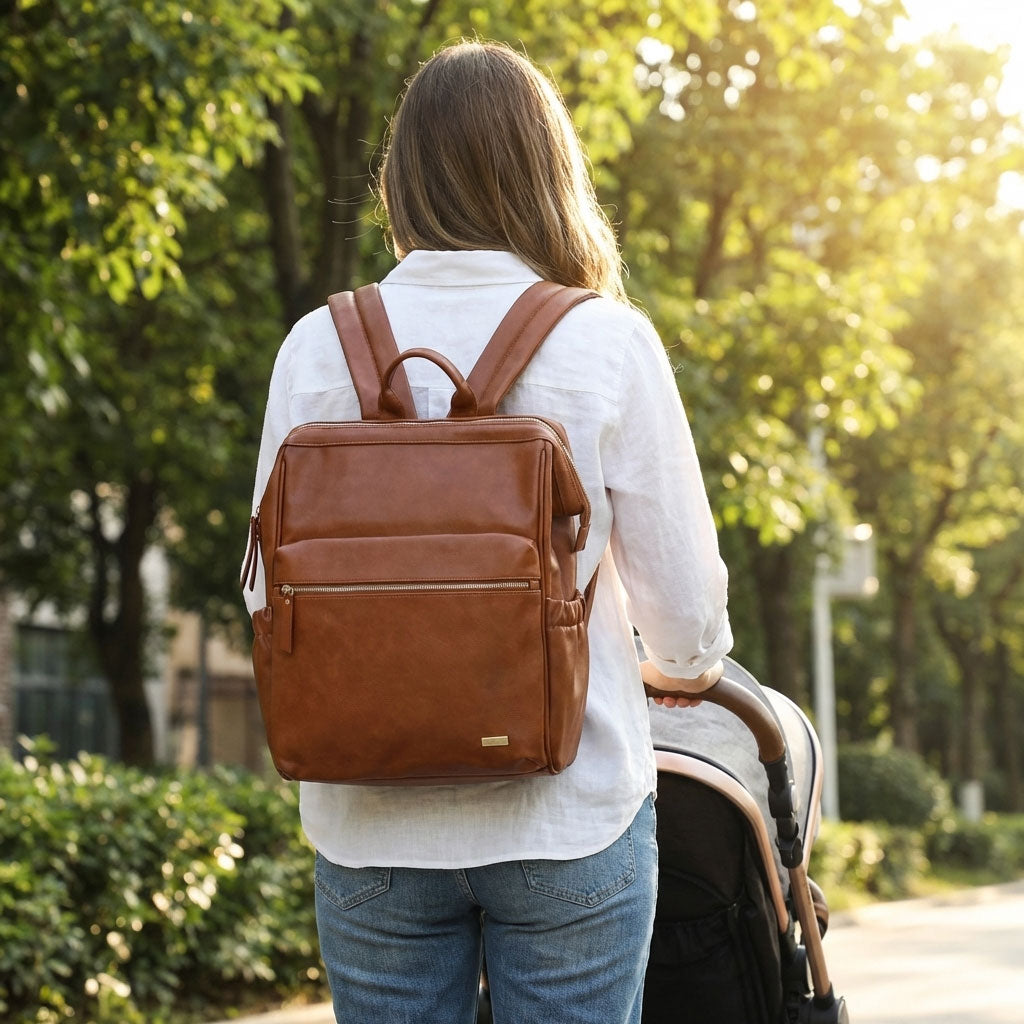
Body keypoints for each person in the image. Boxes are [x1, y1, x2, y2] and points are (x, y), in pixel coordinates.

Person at [243, 40, 732, 1024]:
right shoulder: (605, 340)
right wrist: (677, 668)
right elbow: (683, 616)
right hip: (566, 816)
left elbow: (265, 593)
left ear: (403, 180)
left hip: (369, 827)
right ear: (549, 172)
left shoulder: (316, 345)